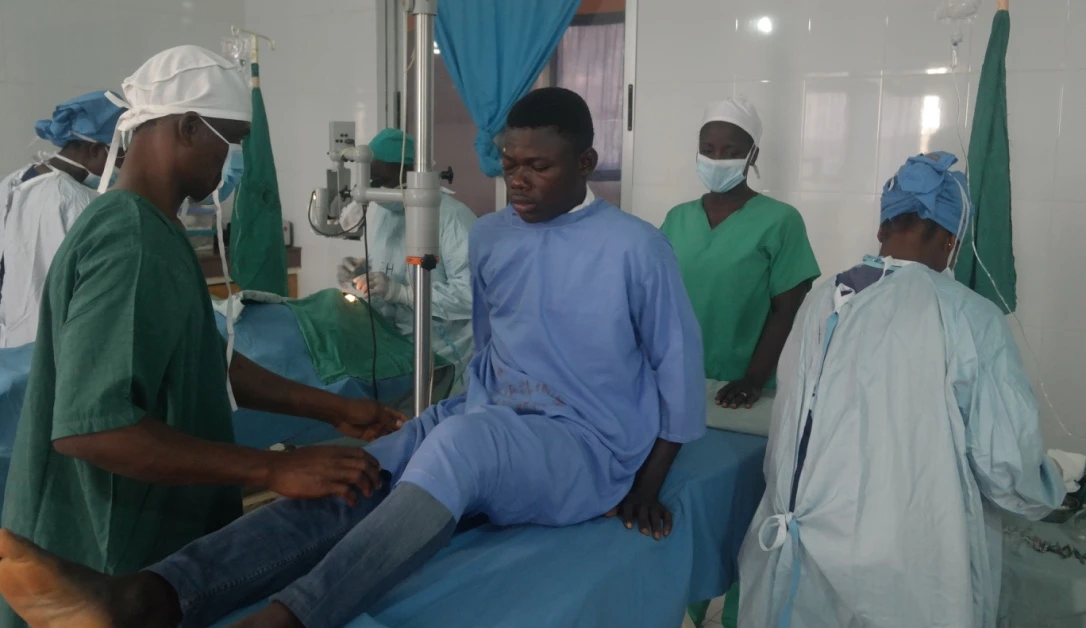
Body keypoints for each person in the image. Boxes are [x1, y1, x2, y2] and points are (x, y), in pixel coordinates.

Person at [0, 87, 706, 628]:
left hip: (586, 444)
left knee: (464, 447)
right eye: (510, 164)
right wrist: (446, 426)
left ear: (585, 163)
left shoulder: (635, 248)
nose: (518, 180)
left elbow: (677, 370)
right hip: (492, 412)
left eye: (539, 167)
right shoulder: (493, 237)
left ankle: (292, 616)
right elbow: (490, 347)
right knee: (355, 474)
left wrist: (646, 485)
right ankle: (151, 595)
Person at [0, 46, 404, 627]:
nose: (234, 160)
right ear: (187, 127)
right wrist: (272, 469)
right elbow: (94, 429)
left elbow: (207, 359)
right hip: (106, 553)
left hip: (150, 540)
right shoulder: (130, 239)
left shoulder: (150, 228)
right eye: (232, 140)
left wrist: (334, 408)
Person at [737, 152, 1065, 628]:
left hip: (800, 548)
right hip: (900, 568)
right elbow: (1006, 469)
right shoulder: (968, 316)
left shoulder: (822, 300)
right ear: (951, 240)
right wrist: (1053, 482)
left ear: (882, 229)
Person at [661, 97, 819, 413]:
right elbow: (656, 299)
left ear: (752, 155)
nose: (717, 160)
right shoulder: (677, 218)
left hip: (741, 388)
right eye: (708, 150)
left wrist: (753, 380)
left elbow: (787, 311)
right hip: (674, 378)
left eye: (731, 152)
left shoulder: (780, 221)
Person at [336, 128, 476, 387]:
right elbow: (393, 265)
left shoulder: (452, 218)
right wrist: (362, 270)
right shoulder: (384, 211)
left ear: (412, 173)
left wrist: (401, 293)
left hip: (444, 359)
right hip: (396, 351)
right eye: (371, 181)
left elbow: (470, 295)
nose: (375, 191)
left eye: (381, 181)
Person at [0, 92, 127, 347]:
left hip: (10, 339)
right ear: (96, 150)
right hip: (51, 343)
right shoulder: (75, 200)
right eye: (120, 156)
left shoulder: (13, 181)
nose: (122, 167)